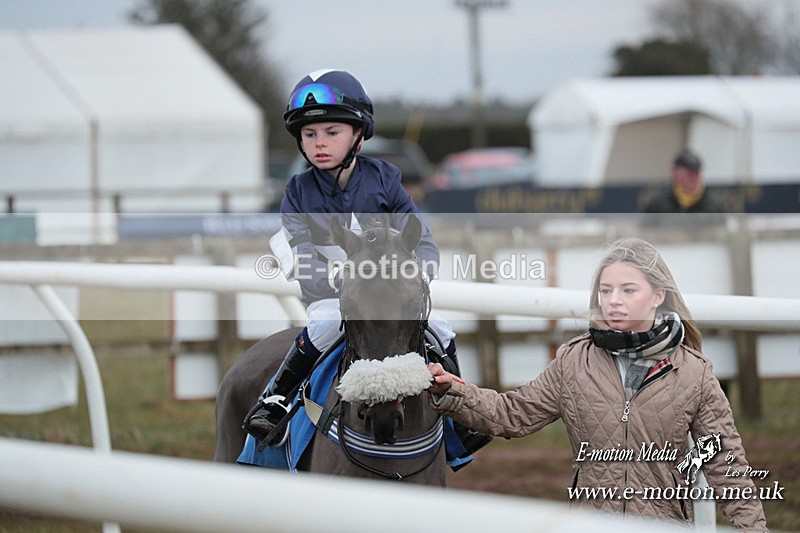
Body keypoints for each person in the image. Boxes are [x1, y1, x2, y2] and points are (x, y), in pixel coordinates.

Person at [428, 238, 766, 529]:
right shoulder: (573, 362)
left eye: (628, 290)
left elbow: (728, 468)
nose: (613, 300)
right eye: (606, 290)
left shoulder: (696, 373)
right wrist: (453, 391)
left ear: (657, 296)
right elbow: (512, 414)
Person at [242, 69, 491, 461]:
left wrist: (413, 278)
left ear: (358, 134)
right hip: (333, 294)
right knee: (324, 324)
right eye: (309, 135)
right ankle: (275, 399)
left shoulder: (386, 179)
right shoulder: (297, 192)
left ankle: (459, 418)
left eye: (331, 132)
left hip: (391, 290)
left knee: (440, 329)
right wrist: (342, 286)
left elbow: (421, 240)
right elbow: (301, 253)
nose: (319, 143)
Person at [643, 148, 725, 220]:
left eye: (696, 172)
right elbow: (646, 233)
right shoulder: (658, 205)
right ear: (674, 174)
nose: (693, 177)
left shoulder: (714, 206)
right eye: (688, 173)